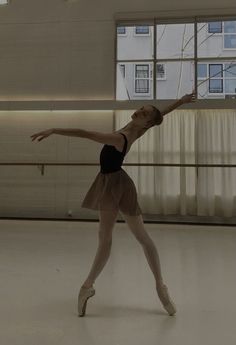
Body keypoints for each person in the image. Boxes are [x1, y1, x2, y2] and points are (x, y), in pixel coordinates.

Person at [31, 92, 195, 317]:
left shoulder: (121, 138)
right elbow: (160, 114)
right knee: (113, 238)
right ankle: (91, 287)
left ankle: (157, 286)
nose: (138, 111)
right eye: (141, 108)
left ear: (146, 122)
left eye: (143, 113)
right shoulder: (136, 127)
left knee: (130, 238)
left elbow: (85, 133)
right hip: (112, 182)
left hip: (117, 186)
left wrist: (54, 129)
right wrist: (181, 101)